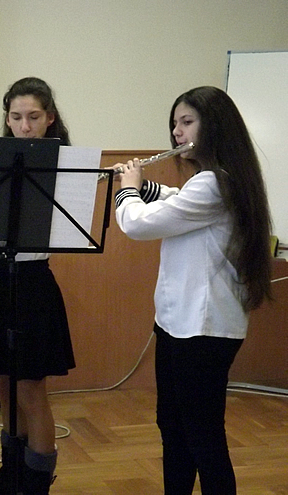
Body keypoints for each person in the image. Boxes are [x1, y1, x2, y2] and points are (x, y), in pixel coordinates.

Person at [113, 86, 273, 494]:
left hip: (203, 331)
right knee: (173, 427)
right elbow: (179, 201)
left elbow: (138, 224)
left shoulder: (216, 184)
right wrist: (146, 187)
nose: (177, 132)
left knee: (203, 436)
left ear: (214, 125)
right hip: (178, 325)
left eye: (187, 122)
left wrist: (127, 189)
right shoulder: (215, 182)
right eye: (174, 123)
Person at [0, 77, 76, 495]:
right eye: (16, 117)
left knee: (30, 389)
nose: (24, 127)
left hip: (32, 284)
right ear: (7, 119)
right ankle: (9, 477)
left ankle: (36, 484)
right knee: (1, 385)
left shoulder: (64, 165)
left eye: (33, 117)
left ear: (50, 118)